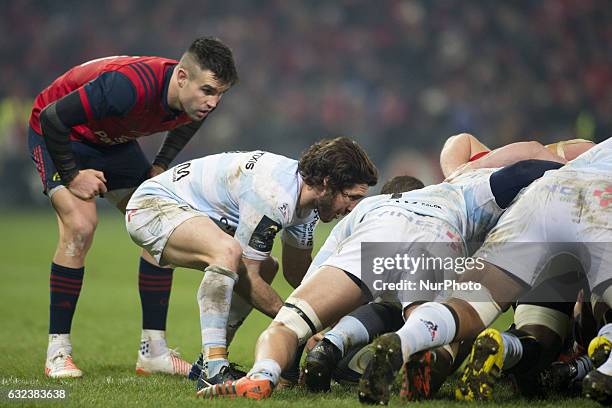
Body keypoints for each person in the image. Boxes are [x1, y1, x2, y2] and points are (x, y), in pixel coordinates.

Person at [197, 152, 563, 400]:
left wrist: (315, 334)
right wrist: (568, 170)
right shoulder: (462, 187)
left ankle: (263, 375)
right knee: (446, 329)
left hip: (374, 236)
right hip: (436, 237)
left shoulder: (370, 204)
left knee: (287, 326)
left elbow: (314, 278)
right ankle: (418, 358)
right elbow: (520, 172)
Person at [28, 37, 239, 378]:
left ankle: (153, 352)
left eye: (219, 94)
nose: (213, 103)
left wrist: (161, 164)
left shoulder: (194, 102)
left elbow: (185, 127)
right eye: (208, 91)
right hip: (60, 135)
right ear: (182, 77)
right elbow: (53, 117)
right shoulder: (127, 86)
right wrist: (72, 175)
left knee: (162, 224)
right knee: (80, 227)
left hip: (114, 143)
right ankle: (58, 352)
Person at [361, 137, 612, 405]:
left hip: (544, 195)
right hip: (601, 199)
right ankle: (604, 371)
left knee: (469, 305)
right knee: (553, 333)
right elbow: (529, 150)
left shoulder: (590, 151)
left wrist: (464, 171)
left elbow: (475, 143)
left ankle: (403, 341)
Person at [124, 137, 378, 388]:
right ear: (327, 183)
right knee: (228, 253)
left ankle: (204, 364)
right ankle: (213, 367)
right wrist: (298, 326)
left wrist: (338, 321)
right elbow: (249, 278)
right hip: (152, 205)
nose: (352, 209)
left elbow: (299, 271)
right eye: (350, 197)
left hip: (189, 212)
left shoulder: (307, 203)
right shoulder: (273, 194)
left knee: (267, 266)